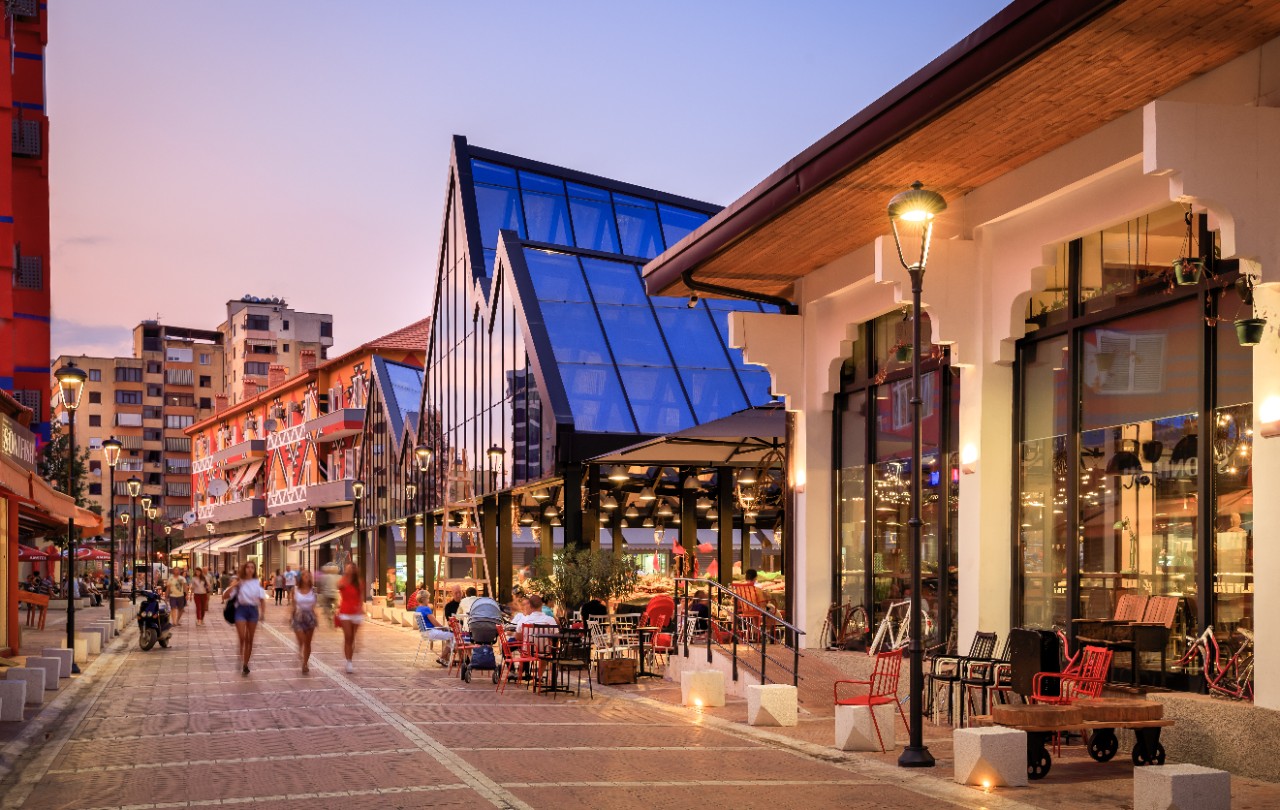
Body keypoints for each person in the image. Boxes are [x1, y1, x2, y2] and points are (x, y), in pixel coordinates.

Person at [225, 561, 266, 676]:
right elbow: (225, 595)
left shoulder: (257, 582)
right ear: (244, 569)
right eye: (248, 567)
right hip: (241, 610)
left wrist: (263, 613)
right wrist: (234, 585)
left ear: (254, 570)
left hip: (253, 611)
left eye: (252, 567)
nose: (250, 569)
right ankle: (240, 657)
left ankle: (245, 664)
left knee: (250, 639)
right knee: (242, 637)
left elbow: (262, 599)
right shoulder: (239, 582)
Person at [337, 563, 364, 673]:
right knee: (348, 636)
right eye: (348, 568)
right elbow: (338, 587)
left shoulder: (359, 582)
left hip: (356, 612)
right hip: (345, 612)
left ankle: (350, 660)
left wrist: (360, 608)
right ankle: (348, 662)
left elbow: (361, 597)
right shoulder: (342, 581)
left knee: (352, 638)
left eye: (352, 568)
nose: (350, 569)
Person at [291, 569, 319, 674]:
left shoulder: (313, 590)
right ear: (301, 578)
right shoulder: (295, 590)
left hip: (310, 617)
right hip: (299, 617)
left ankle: (305, 663)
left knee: (308, 642)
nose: (306, 576)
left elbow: (314, 605)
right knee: (302, 640)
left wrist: (316, 615)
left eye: (308, 575)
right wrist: (290, 616)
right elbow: (293, 605)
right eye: (304, 575)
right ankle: (300, 648)